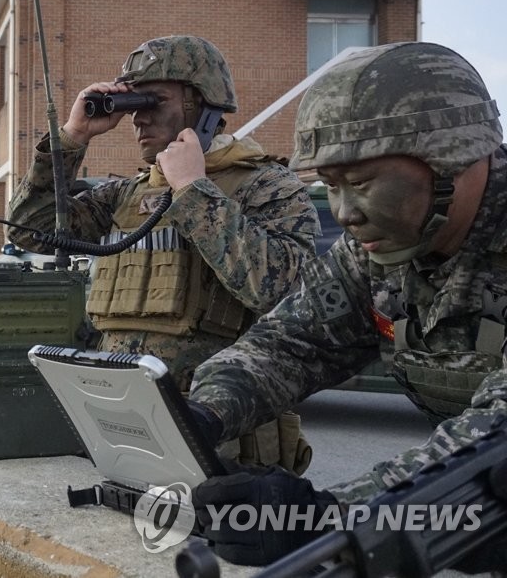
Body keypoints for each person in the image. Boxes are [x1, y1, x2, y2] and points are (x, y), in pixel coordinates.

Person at [187, 41, 507, 571]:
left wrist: (329, 519)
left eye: (360, 183)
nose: (345, 213)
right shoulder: (378, 251)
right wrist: (204, 413)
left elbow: (496, 442)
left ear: (454, 155)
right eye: (331, 186)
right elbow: (290, 344)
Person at [7, 35, 320, 473]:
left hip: (218, 438)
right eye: (132, 105)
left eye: (153, 101)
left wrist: (193, 191)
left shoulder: (267, 185)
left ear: (201, 105)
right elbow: (31, 229)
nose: (138, 119)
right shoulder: (128, 193)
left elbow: (286, 294)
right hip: (121, 425)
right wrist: (73, 136)